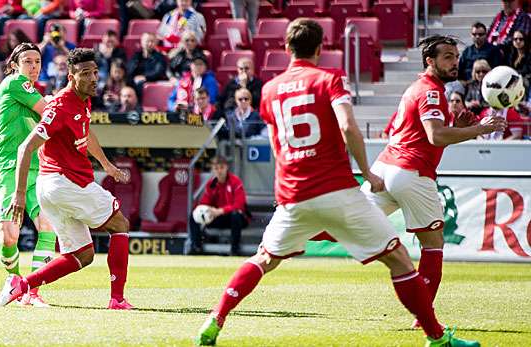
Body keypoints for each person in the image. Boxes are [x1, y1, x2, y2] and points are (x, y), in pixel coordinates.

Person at [196, 20, 482, 347]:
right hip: (336, 189)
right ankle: (436, 337)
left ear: (287, 48)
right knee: (399, 259)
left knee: (263, 259)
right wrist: (367, 173)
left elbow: (277, 145)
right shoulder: (329, 79)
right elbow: (348, 127)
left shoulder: (270, 90)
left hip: (293, 194)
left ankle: (216, 319)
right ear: (320, 49)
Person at [361, 35, 506, 331]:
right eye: (448, 57)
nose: (455, 62)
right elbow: (435, 136)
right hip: (411, 173)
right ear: (430, 61)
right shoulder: (432, 92)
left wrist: (460, 128)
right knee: (433, 245)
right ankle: (423, 318)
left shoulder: (416, 87)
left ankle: (296, 227)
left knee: (346, 223)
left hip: (386, 165)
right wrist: (481, 128)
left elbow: (426, 135)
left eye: (455, 57)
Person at [0, 48, 134, 310]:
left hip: (53, 188)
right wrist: (20, 194)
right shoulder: (60, 105)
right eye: (85, 74)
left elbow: (86, 131)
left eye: (95, 72)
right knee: (120, 223)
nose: (93, 78)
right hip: (65, 183)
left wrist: (106, 164)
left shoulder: (83, 101)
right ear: (71, 76)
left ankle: (21, 285)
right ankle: (117, 299)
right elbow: (26, 147)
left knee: (82, 255)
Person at [0, 43, 57, 307]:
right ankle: (14, 280)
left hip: (36, 168)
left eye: (38, 62)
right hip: (8, 167)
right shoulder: (15, 83)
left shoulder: (33, 93)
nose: (34, 66)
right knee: (9, 234)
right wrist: (57, 103)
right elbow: (49, 114)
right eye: (28, 61)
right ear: (15, 65)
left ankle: (32, 291)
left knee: (47, 225)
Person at [186, 156, 248, 256]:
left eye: (221, 167)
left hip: (236, 217)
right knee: (193, 215)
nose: (219, 171)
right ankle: (196, 247)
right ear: (213, 169)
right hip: (217, 217)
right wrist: (208, 209)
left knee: (235, 215)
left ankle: (235, 250)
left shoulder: (235, 181)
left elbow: (239, 205)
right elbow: (204, 203)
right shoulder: (211, 183)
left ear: (226, 167)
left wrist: (220, 211)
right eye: (216, 168)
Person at [126, 32, 167, 100]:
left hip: (151, 81)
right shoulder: (136, 56)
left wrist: (145, 77)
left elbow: (159, 71)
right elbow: (129, 70)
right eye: (147, 41)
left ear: (156, 43)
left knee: (140, 83)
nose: (150, 44)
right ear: (142, 42)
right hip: (136, 81)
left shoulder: (160, 57)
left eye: (152, 41)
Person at [504, 30, 531, 100]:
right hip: (512, 79)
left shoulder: (529, 54)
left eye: (521, 39)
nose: (518, 41)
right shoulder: (511, 54)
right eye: (515, 39)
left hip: (525, 80)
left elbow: (526, 70)